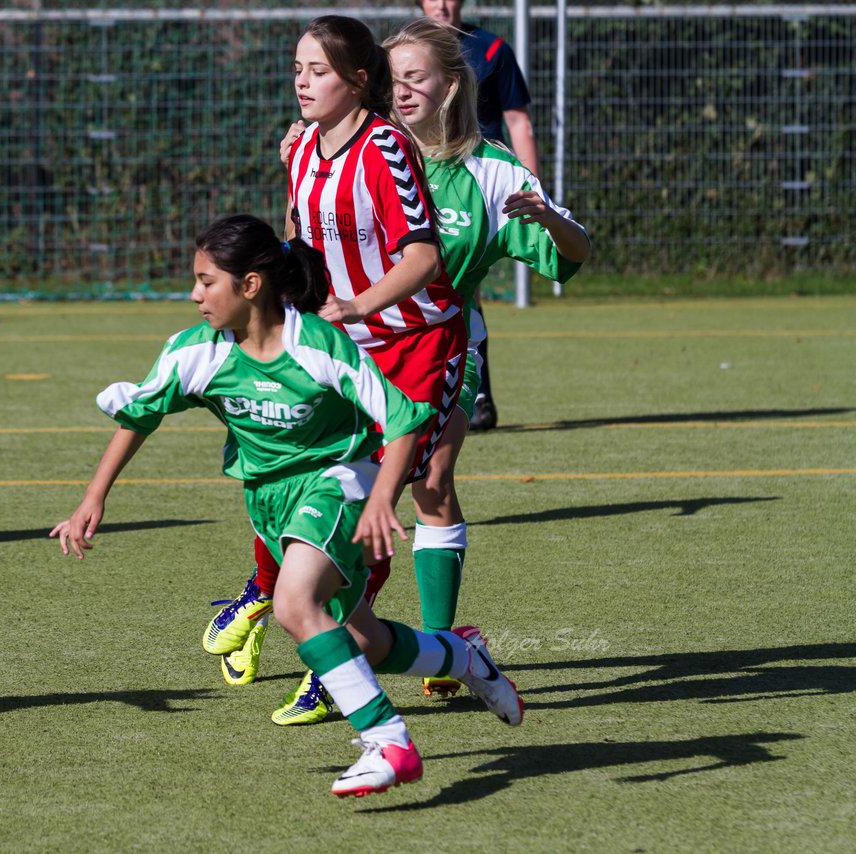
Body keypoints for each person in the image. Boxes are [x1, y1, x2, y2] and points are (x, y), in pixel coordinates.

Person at [52, 214, 522, 797]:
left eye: (206, 281)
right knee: (364, 641)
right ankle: (465, 658)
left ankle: (389, 743)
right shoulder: (195, 353)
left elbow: (404, 419)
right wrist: (92, 497)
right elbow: (140, 414)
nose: (195, 295)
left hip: (341, 482)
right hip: (269, 503)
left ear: (250, 285)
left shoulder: (318, 344)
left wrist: (381, 496)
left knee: (295, 605)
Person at [205, 15, 467, 728]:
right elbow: (302, 240)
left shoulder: (385, 148)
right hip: (341, 342)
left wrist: (357, 308)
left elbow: (422, 259)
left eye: (317, 70)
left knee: (373, 496)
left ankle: (339, 645)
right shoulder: (303, 148)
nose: (301, 82)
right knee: (294, 470)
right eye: (296, 69)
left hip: (412, 343)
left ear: (357, 80)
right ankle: (273, 597)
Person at [384, 17, 590, 694]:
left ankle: (441, 644)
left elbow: (573, 255)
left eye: (417, 77)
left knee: (431, 482)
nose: (403, 90)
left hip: (447, 346)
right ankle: (325, 633)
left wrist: (551, 219)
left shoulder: (493, 170)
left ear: (452, 83)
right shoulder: (366, 153)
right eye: (393, 79)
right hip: (362, 348)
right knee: (339, 491)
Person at [421, 0, 541, 431]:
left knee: (460, 285)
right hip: (419, 183)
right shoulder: (403, 49)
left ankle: (474, 393)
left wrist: (531, 190)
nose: (441, 2)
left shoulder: (491, 50)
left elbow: (518, 122)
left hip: (475, 193)